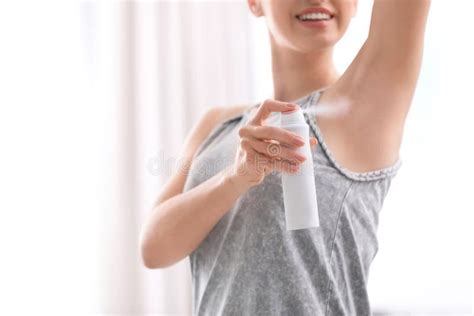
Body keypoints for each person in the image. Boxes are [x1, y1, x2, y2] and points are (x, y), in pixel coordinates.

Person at [139, 0, 431, 314]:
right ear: (254, 3)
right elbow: (154, 249)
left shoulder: (361, 109)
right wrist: (234, 178)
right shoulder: (219, 124)